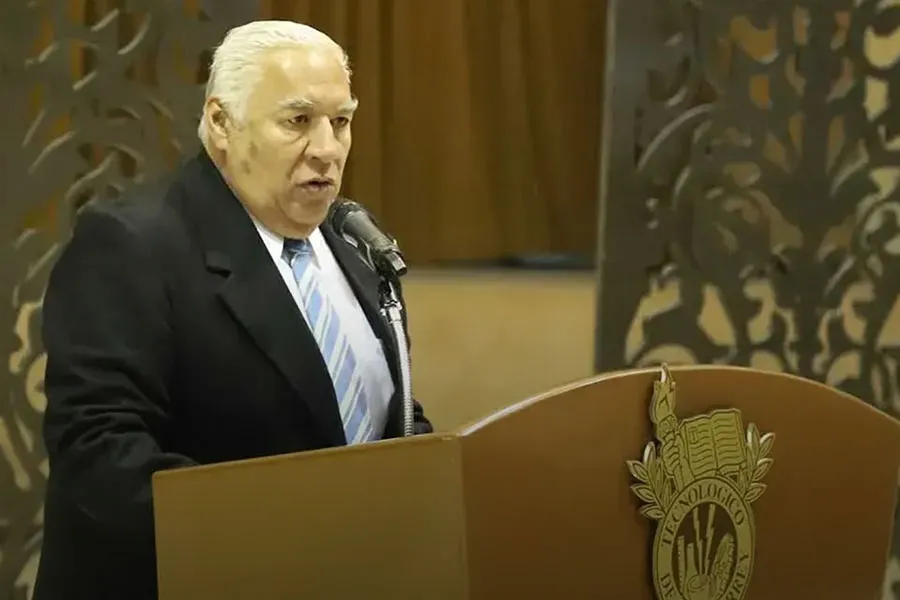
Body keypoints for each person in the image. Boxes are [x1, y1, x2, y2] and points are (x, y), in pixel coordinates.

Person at [33, 20, 432, 600]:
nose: (326, 149)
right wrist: (294, 534)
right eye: (298, 121)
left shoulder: (355, 243)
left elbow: (388, 417)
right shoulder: (132, 246)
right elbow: (101, 459)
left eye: (340, 122)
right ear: (221, 123)